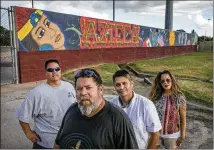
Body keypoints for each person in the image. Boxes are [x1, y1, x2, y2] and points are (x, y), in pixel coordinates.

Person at [54, 68, 139, 149]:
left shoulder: (117, 118)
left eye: (88, 88)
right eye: (79, 89)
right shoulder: (71, 111)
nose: (83, 93)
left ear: (100, 90)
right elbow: (57, 144)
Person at [14, 59, 76, 149]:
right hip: (46, 143)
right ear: (45, 73)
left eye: (57, 69)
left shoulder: (69, 86)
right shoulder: (37, 93)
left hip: (68, 140)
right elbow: (22, 115)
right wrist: (28, 132)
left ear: (60, 70)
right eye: (50, 70)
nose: (54, 72)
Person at [112, 69, 162, 149]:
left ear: (131, 84)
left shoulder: (146, 104)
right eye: (118, 84)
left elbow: (155, 133)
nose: (121, 87)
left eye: (124, 83)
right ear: (114, 87)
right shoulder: (111, 105)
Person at [148, 70, 187, 149]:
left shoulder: (179, 97)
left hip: (172, 135)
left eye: (168, 80)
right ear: (160, 83)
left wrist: (182, 135)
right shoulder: (155, 96)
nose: (165, 83)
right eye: (162, 81)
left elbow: (183, 119)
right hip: (156, 133)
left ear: (172, 80)